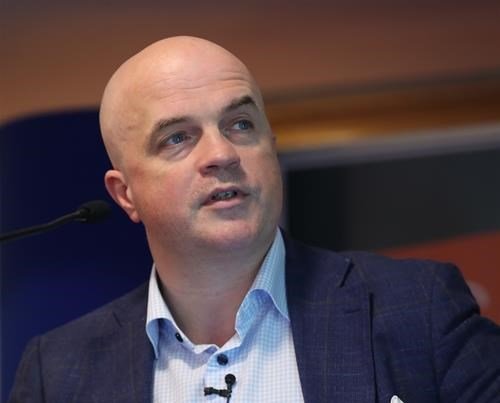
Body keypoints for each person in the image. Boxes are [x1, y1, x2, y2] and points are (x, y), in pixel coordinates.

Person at [9, 36, 500, 403]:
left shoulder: (418, 309)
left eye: (240, 124)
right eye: (177, 137)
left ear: (272, 147)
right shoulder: (59, 371)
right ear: (125, 194)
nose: (222, 153)